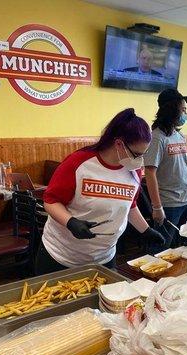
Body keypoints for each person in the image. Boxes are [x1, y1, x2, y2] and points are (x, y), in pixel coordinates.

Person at [35, 108, 165, 274]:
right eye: (137, 154)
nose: (140, 161)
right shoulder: (80, 163)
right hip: (62, 256)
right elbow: (51, 200)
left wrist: (146, 230)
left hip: (104, 258)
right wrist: (71, 222)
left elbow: (130, 206)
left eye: (144, 154)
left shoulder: (133, 171)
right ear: (119, 144)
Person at [144, 89, 187, 250]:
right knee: (161, 249)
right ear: (172, 109)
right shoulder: (157, 138)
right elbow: (149, 173)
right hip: (168, 204)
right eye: (183, 109)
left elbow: (185, 166)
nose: (186, 113)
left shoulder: (179, 136)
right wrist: (157, 207)